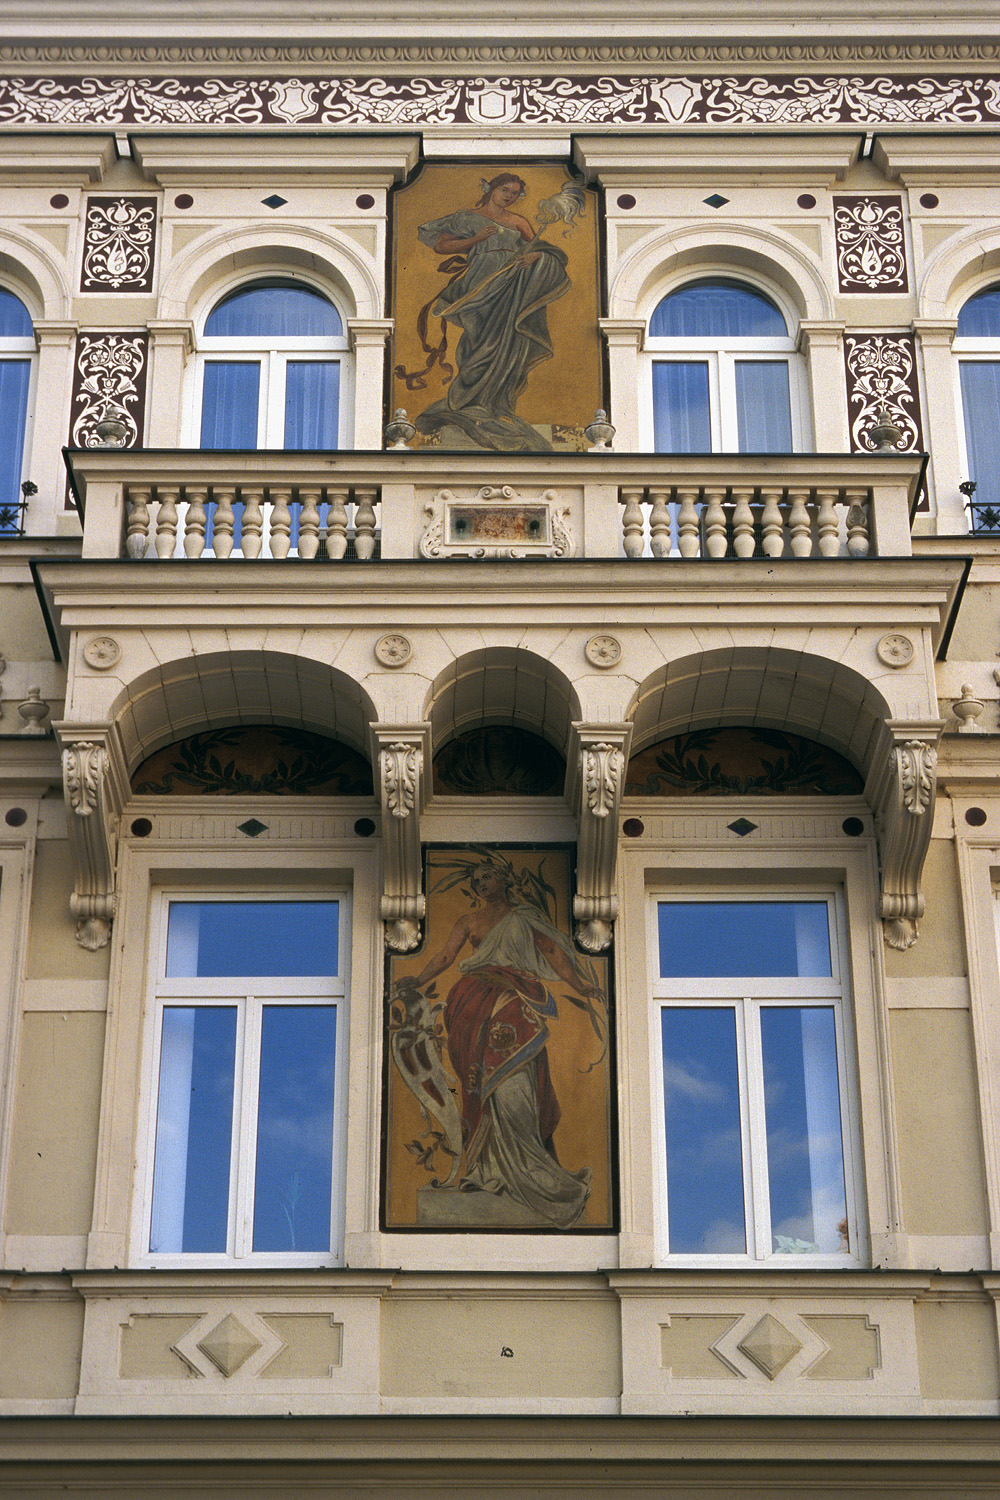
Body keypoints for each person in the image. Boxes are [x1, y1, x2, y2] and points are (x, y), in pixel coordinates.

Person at [406, 862, 604, 1227]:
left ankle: (532, 1170)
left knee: (518, 1078)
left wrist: (581, 985)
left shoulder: (524, 917)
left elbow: (552, 951)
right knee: (479, 1082)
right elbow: (446, 956)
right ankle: (486, 1170)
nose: (481, 884)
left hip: (512, 997)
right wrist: (417, 980)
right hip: (472, 1001)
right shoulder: (469, 921)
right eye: (475, 880)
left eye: (487, 877)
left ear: (505, 879)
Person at [413, 173, 571, 451]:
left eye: (515, 193)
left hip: (513, 281)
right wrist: (475, 239)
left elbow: (541, 249)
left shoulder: (519, 222)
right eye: (504, 190)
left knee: (507, 340)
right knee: (479, 340)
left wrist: (534, 256)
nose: (509, 196)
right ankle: (467, 400)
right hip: (481, 280)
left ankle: (496, 403)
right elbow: (441, 245)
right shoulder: (467, 218)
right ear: (490, 189)